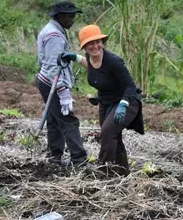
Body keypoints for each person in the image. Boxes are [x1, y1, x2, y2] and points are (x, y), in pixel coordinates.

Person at [61, 24, 144, 176]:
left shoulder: (114, 61)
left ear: (102, 42)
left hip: (127, 101)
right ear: (85, 47)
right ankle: (122, 173)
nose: (95, 46)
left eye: (97, 42)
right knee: (113, 136)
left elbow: (130, 86)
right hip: (106, 103)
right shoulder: (89, 57)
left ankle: (103, 171)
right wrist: (75, 58)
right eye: (90, 44)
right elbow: (93, 67)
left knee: (107, 132)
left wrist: (123, 104)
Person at [36, 1, 87, 166]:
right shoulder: (54, 36)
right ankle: (79, 161)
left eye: (74, 16)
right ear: (59, 16)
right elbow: (53, 66)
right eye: (69, 16)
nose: (72, 19)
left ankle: (54, 158)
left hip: (47, 81)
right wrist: (63, 92)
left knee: (54, 120)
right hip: (53, 83)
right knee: (68, 120)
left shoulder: (53, 30)